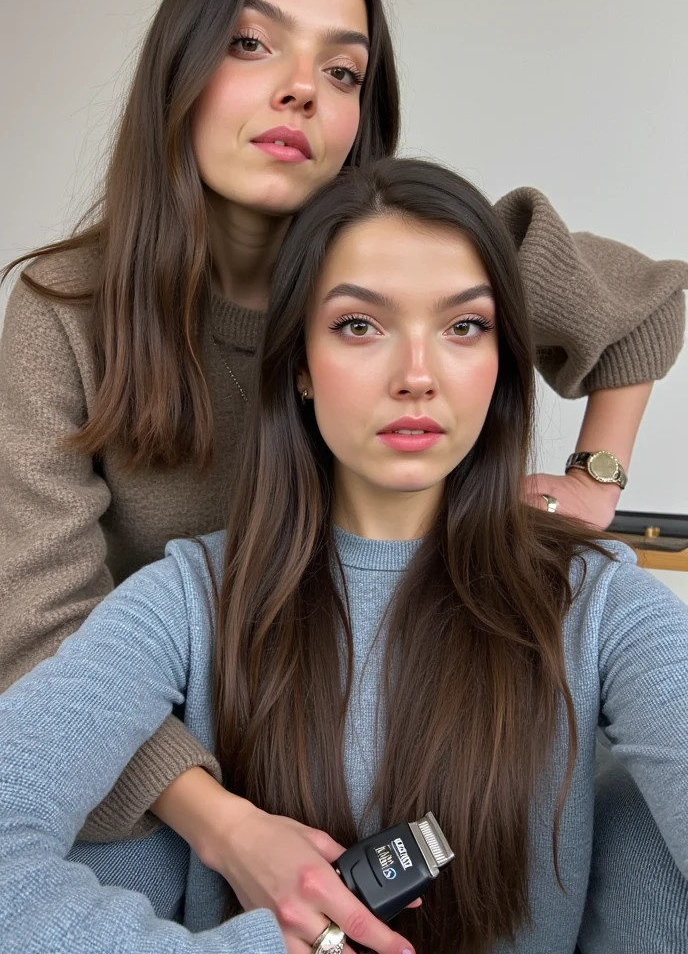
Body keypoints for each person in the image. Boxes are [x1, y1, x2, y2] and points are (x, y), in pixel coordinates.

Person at [1, 0, 686, 854]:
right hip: (164, 768)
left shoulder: (415, 255)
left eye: (344, 71)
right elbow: (39, 641)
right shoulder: (66, 315)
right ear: (180, 70)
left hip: (407, 738)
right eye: (252, 43)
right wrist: (231, 829)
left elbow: (649, 309)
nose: (300, 89)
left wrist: (594, 474)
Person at [1, 158, 686, 954]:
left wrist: (592, 476)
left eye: (464, 327)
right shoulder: (186, 600)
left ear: (500, 364)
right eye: (360, 325)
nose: (418, 377)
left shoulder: (599, 604)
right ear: (298, 364)